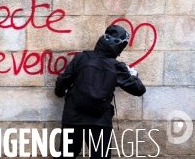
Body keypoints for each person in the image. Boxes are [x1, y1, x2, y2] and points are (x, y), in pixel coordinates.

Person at [55, 24, 146, 159]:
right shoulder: (117, 67)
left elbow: (63, 81)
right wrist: (133, 74)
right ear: (119, 47)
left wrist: (62, 92)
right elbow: (139, 89)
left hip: (73, 117)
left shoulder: (81, 58)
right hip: (99, 121)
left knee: (66, 155)